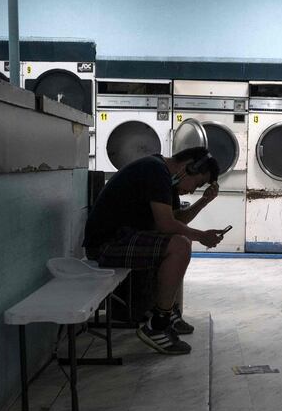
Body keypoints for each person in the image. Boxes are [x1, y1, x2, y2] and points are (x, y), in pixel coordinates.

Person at [83, 147, 223, 355]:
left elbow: (177, 220)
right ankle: (158, 324)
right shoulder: (155, 171)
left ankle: (167, 311)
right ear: (189, 168)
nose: (194, 191)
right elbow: (167, 225)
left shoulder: (164, 176)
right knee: (180, 245)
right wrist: (202, 236)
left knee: (181, 240)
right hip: (106, 244)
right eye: (198, 184)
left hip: (122, 238)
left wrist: (203, 202)